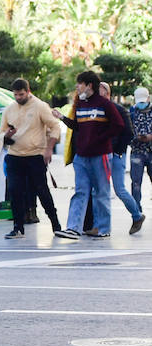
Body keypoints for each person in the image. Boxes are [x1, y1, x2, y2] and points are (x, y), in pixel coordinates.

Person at [53, 71, 124, 239]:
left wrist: (100, 139)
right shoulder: (80, 104)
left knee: (101, 192)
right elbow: (78, 127)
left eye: (80, 83)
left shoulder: (104, 104)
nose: (77, 87)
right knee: (80, 191)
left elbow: (118, 125)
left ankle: (103, 228)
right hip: (81, 156)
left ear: (89, 85)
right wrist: (62, 117)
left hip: (101, 155)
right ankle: (73, 228)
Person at [0, 79, 63, 240]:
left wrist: (49, 149)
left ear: (28, 91)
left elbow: (55, 126)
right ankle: (18, 228)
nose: (18, 98)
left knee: (42, 191)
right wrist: (7, 135)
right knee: (15, 191)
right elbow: (1, 132)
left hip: (35, 156)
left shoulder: (40, 106)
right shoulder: (9, 109)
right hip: (14, 156)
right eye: (16, 95)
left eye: (21, 94)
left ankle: (56, 226)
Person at [102, 82, 144, 233]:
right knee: (100, 190)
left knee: (119, 189)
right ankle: (100, 225)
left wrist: (118, 150)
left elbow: (129, 133)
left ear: (107, 93)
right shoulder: (97, 110)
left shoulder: (118, 109)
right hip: (102, 154)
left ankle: (137, 215)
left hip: (116, 154)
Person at [129, 86, 152, 212]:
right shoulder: (132, 112)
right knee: (136, 183)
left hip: (150, 151)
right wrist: (137, 137)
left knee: (136, 183)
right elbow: (128, 131)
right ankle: (137, 211)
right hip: (137, 151)